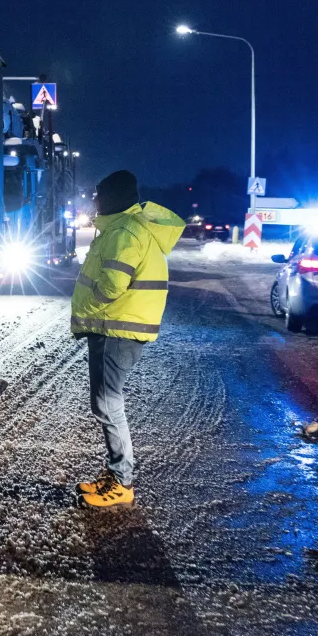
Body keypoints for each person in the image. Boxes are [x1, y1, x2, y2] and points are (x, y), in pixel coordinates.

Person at [71, 170, 185, 508]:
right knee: (107, 403)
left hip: (114, 328)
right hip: (120, 328)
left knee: (107, 404)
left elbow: (110, 286)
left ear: (112, 197)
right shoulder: (128, 228)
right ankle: (116, 473)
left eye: (98, 195)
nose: (94, 200)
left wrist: (87, 304)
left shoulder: (123, 231)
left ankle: (122, 481)